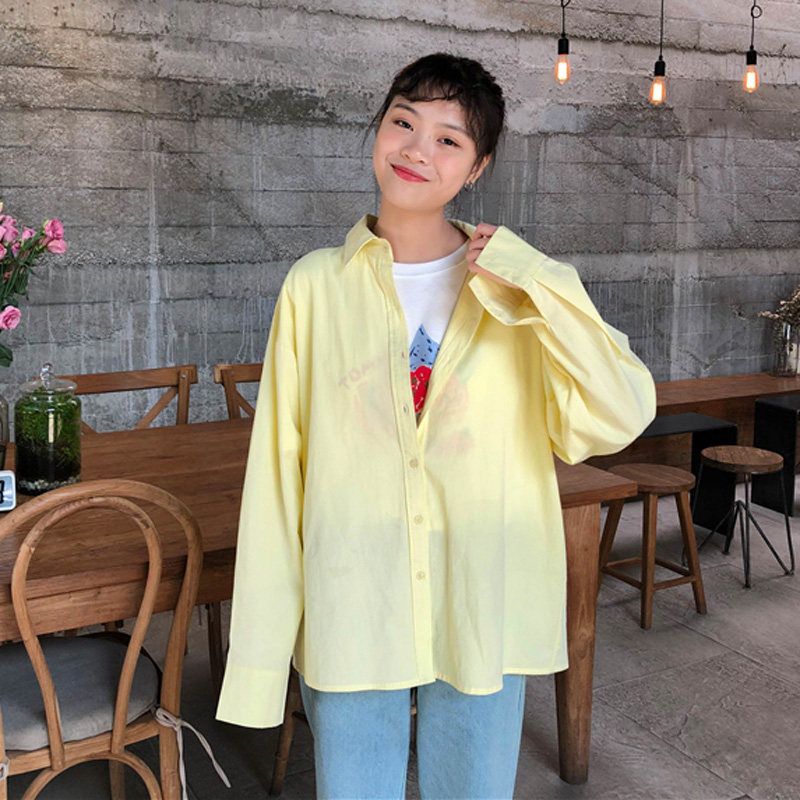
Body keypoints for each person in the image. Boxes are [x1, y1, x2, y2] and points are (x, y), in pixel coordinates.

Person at [216, 52, 657, 799]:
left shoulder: (514, 290)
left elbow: (621, 411)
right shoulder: (315, 286)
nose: (418, 149)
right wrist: (261, 661)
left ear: (477, 166)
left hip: (481, 595)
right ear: (378, 131)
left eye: (449, 139)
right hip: (354, 600)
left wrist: (537, 279)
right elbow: (278, 482)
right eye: (403, 122)